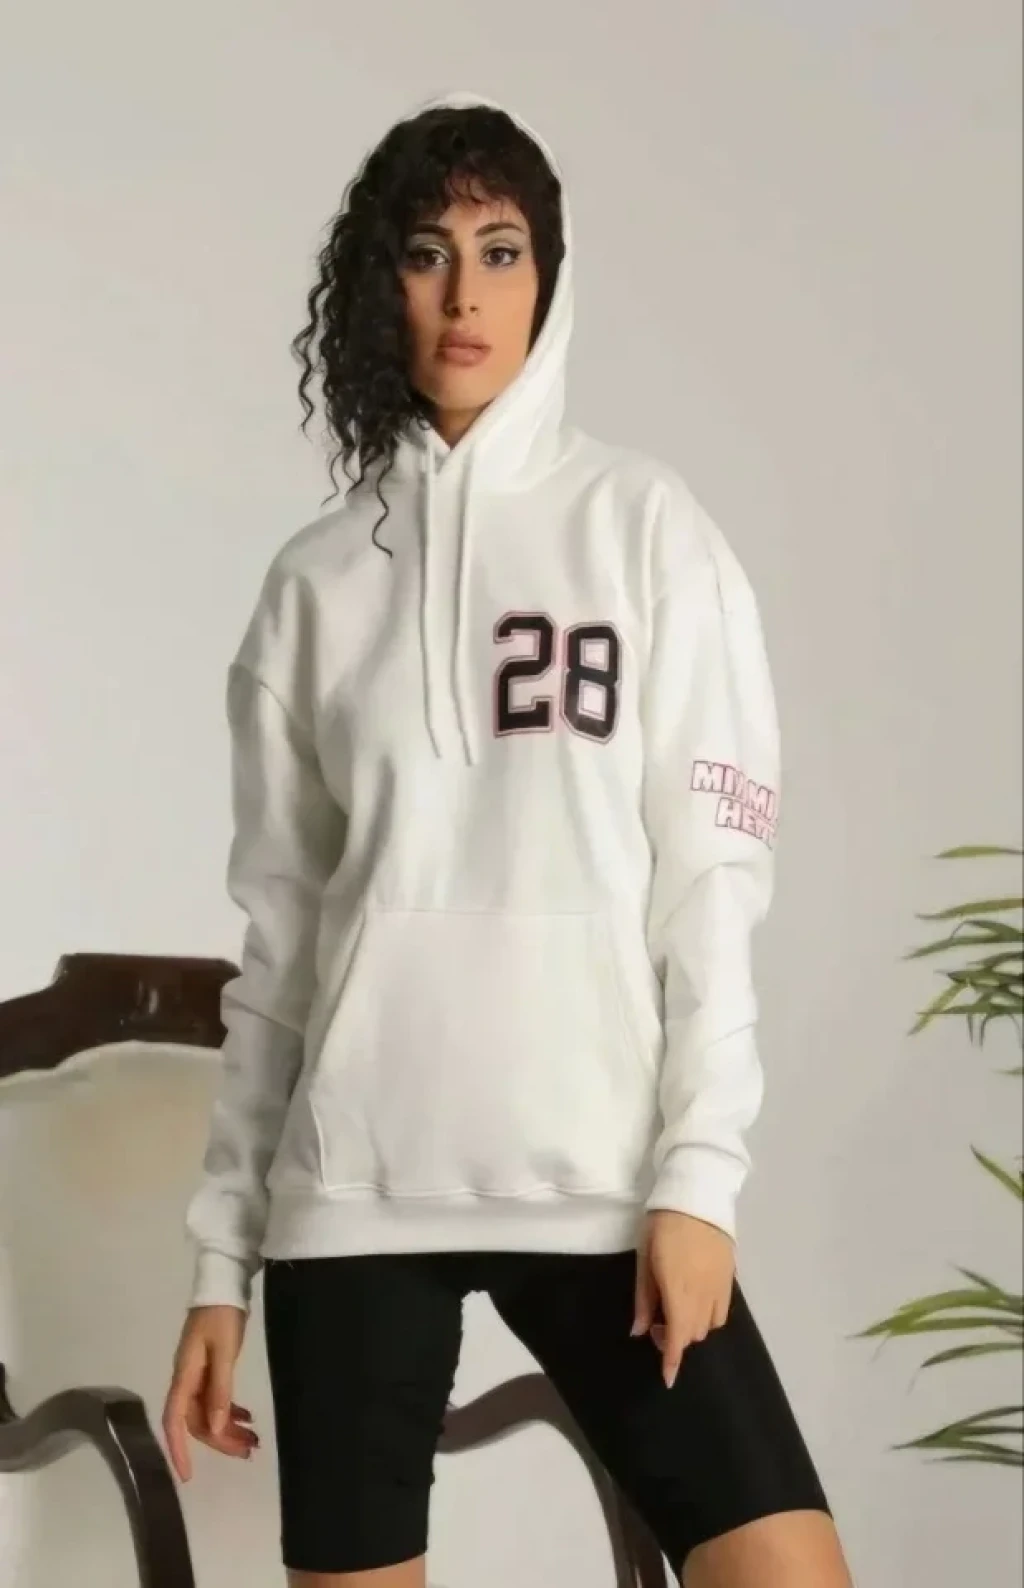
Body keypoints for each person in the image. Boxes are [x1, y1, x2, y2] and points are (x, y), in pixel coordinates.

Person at [162, 89, 854, 1588]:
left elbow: (711, 887)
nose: (465, 294)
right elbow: (280, 957)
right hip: (351, 1199)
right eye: (427, 253)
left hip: (604, 1185)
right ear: (382, 285)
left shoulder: (646, 529)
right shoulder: (315, 586)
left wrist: (698, 1181)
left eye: (501, 251)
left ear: (551, 276)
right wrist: (221, 1264)